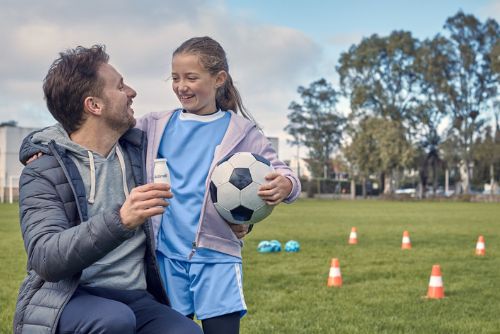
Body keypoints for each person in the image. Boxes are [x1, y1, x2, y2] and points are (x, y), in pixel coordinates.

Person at [13, 45, 202, 334]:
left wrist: (238, 218)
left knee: (185, 331)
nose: (132, 92)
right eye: (120, 86)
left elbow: (202, 176)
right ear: (94, 105)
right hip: (69, 296)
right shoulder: (42, 170)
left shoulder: (143, 151)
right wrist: (121, 219)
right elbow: (45, 257)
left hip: (137, 297)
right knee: (113, 319)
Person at [136, 36, 301, 334]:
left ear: (218, 79)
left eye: (191, 77)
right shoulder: (154, 124)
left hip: (217, 256)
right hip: (166, 257)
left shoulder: (241, 131)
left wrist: (285, 186)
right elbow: (100, 135)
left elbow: (283, 172)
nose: (180, 86)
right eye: (175, 77)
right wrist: (37, 145)